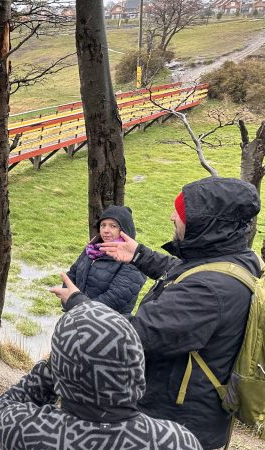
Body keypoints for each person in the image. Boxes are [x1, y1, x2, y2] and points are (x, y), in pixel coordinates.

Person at [53, 177, 260, 450]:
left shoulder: (210, 291)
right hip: (183, 417)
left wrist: (79, 303)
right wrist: (138, 255)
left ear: (206, 224)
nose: (173, 216)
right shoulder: (233, 260)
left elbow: (135, 336)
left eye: (182, 213)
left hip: (175, 429)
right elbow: (185, 269)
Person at [0, 301, 201, 449]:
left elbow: (4, 405)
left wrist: (50, 369)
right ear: (136, 362)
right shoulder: (176, 441)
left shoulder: (27, 432)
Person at [64, 205, 146, 314]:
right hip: (77, 315)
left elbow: (115, 299)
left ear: (125, 230)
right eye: (103, 225)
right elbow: (72, 274)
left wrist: (76, 306)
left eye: (113, 226)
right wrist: (66, 298)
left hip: (108, 324)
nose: (106, 230)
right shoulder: (92, 249)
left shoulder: (133, 259)